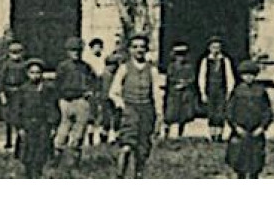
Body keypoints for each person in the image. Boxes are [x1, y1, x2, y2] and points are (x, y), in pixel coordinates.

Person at [108, 33, 163, 178]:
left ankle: (138, 176)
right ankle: (119, 176)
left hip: (146, 110)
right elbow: (113, 92)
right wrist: (122, 106)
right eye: (135, 47)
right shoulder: (124, 68)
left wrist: (159, 114)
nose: (139, 50)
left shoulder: (152, 70)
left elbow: (157, 94)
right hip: (130, 110)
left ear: (146, 50)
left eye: (142, 47)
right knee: (126, 146)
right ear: (130, 50)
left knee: (142, 149)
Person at [9, 57, 61, 178]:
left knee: (42, 150)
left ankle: (39, 172)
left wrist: (53, 125)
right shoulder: (23, 90)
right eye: (32, 73)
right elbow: (17, 109)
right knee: (27, 151)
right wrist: (19, 127)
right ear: (27, 74)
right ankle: (28, 172)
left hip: (43, 124)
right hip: (27, 124)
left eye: (38, 72)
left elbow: (52, 107)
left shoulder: (48, 89)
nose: (35, 76)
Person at [224, 59, 273, 179]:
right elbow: (230, 111)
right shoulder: (237, 91)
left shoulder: (261, 91)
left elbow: (267, 111)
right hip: (240, 131)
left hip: (256, 131)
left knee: (255, 160)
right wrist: (235, 126)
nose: (248, 78)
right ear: (241, 76)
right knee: (239, 159)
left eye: (251, 75)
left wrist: (262, 127)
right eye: (245, 75)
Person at [53, 36, 96, 166]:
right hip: (66, 101)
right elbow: (57, 84)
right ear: (67, 51)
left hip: (81, 101)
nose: (76, 53)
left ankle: (74, 163)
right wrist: (60, 98)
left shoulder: (85, 67)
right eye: (72, 50)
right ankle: (56, 159)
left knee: (78, 133)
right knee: (62, 131)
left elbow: (93, 81)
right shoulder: (63, 66)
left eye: (78, 50)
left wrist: (90, 92)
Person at [197, 36, 236, 142]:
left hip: (221, 90)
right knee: (211, 112)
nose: (215, 50)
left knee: (220, 112)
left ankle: (219, 135)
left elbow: (229, 76)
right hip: (210, 89)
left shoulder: (225, 60)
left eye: (218, 47)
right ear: (209, 48)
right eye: (213, 47)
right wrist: (203, 92)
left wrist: (229, 91)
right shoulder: (205, 61)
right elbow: (202, 77)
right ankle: (211, 135)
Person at [162, 42, 199, 138]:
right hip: (173, 93)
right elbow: (169, 78)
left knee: (183, 115)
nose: (180, 58)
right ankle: (167, 132)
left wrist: (185, 83)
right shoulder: (172, 66)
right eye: (178, 55)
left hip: (184, 94)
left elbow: (192, 78)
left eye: (183, 55)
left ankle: (180, 134)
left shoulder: (189, 67)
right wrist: (176, 83)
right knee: (170, 114)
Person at [0, 40, 28, 150]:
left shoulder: (24, 65)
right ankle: (8, 141)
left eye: (18, 52)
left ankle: (19, 141)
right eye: (13, 52)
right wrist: (2, 93)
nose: (15, 55)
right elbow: (1, 80)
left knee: (20, 116)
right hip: (9, 92)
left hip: (20, 92)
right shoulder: (6, 65)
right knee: (8, 118)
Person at [85, 37, 112, 146]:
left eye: (100, 47)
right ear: (91, 49)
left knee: (104, 112)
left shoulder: (103, 59)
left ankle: (103, 137)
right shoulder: (87, 61)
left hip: (102, 87)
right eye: (95, 47)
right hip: (93, 87)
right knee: (92, 113)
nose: (98, 49)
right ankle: (90, 137)